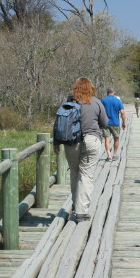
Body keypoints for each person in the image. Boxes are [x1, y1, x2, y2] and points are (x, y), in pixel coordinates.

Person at [54, 78, 108, 223]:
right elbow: (104, 123)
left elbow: (59, 124)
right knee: (86, 174)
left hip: (71, 143)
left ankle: (75, 203)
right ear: (91, 88)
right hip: (91, 141)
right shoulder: (96, 102)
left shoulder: (68, 103)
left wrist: (56, 143)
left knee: (74, 172)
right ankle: (81, 211)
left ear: (76, 88)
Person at [101, 87, 126, 161]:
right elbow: (122, 112)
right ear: (114, 92)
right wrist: (124, 123)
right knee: (116, 138)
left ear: (107, 92)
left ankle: (109, 156)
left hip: (105, 123)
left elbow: (100, 112)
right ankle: (115, 154)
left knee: (107, 139)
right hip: (115, 122)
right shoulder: (117, 100)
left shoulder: (103, 100)